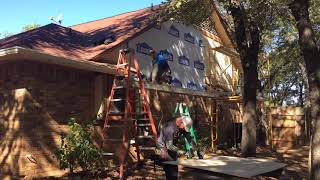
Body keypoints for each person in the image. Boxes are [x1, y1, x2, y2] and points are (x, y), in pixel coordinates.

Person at [156, 115, 193, 180]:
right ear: (181, 122)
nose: (184, 129)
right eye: (184, 127)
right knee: (171, 170)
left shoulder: (181, 125)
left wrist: (195, 148)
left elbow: (188, 136)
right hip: (164, 148)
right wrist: (183, 152)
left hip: (171, 146)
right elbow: (169, 146)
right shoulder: (170, 128)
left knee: (174, 170)